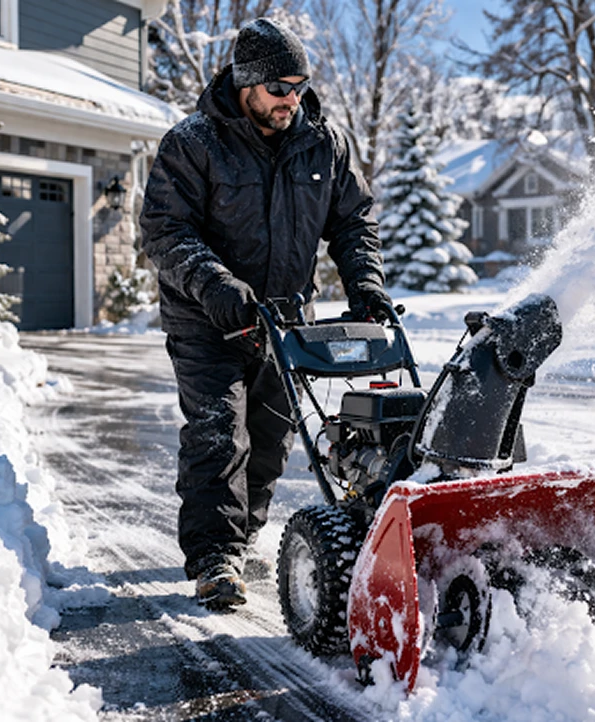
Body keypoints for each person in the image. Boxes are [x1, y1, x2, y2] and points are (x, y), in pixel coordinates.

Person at [140, 17, 391, 609]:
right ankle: (215, 556)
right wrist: (218, 285)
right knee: (218, 434)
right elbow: (164, 230)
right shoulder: (194, 141)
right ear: (246, 84)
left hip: (283, 319)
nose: (292, 99)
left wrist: (368, 286)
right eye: (280, 88)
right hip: (206, 318)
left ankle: (242, 532)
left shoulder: (323, 142)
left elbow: (353, 222)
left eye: (299, 86)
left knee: (271, 439)